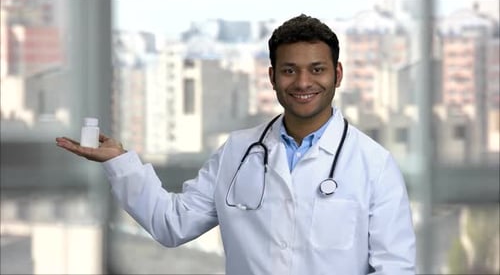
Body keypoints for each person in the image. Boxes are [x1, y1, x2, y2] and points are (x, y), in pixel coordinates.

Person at [56, 14, 416, 274]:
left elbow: (395, 269)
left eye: (317, 69)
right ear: (272, 77)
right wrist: (120, 163)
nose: (303, 82)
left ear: (337, 74)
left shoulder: (374, 164)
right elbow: (172, 224)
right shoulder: (238, 151)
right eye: (289, 70)